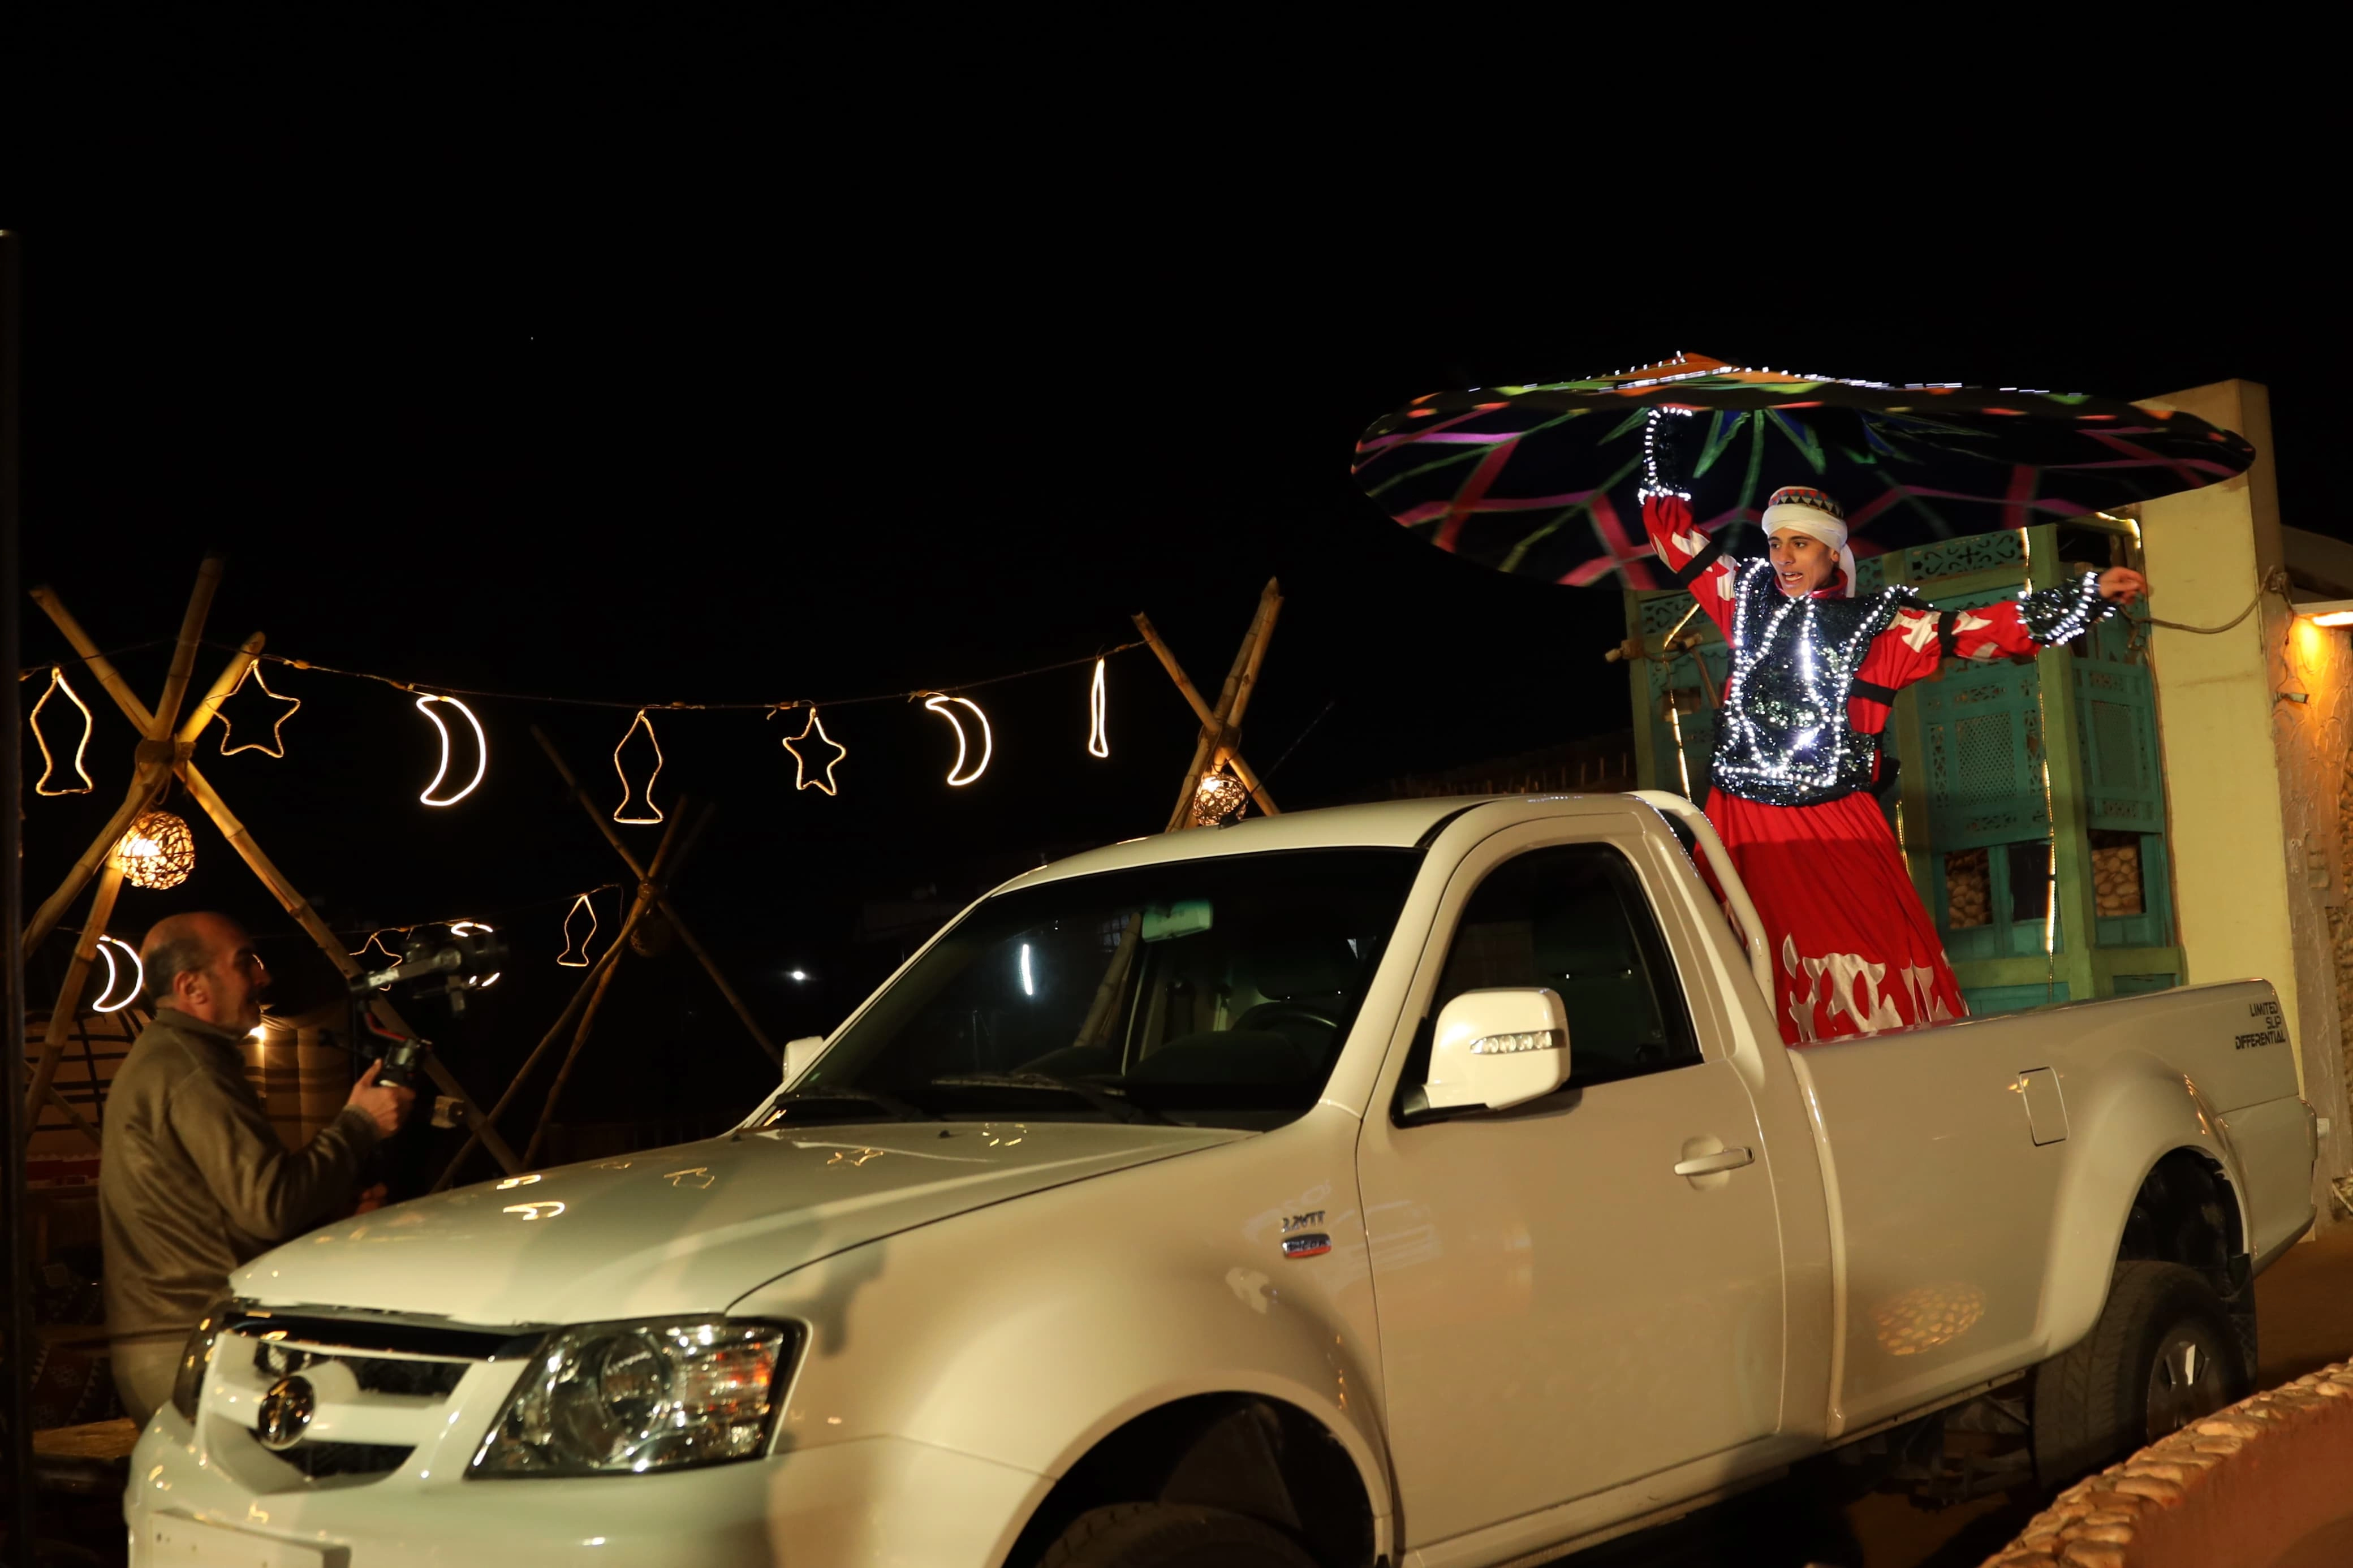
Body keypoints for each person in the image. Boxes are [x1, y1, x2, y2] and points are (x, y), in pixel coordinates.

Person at [1641, 482, 2146, 1044]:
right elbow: (1674, 540)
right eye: (1776, 542)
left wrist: (2087, 596)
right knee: (1739, 961)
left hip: (1831, 825)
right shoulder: (1745, 602)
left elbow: (1983, 630)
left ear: (1831, 552)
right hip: (1740, 822)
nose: (1783, 557)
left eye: (1800, 544)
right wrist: (1661, 455)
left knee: (1860, 955)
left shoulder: (1883, 628)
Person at [98, 912, 413, 1424]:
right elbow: (270, 1207)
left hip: (183, 1344)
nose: (263, 976)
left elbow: (225, 1213)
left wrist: (332, 1215)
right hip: (196, 1347)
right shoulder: (191, 1070)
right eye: (245, 963)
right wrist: (360, 1124)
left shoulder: (175, 1058)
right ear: (192, 987)